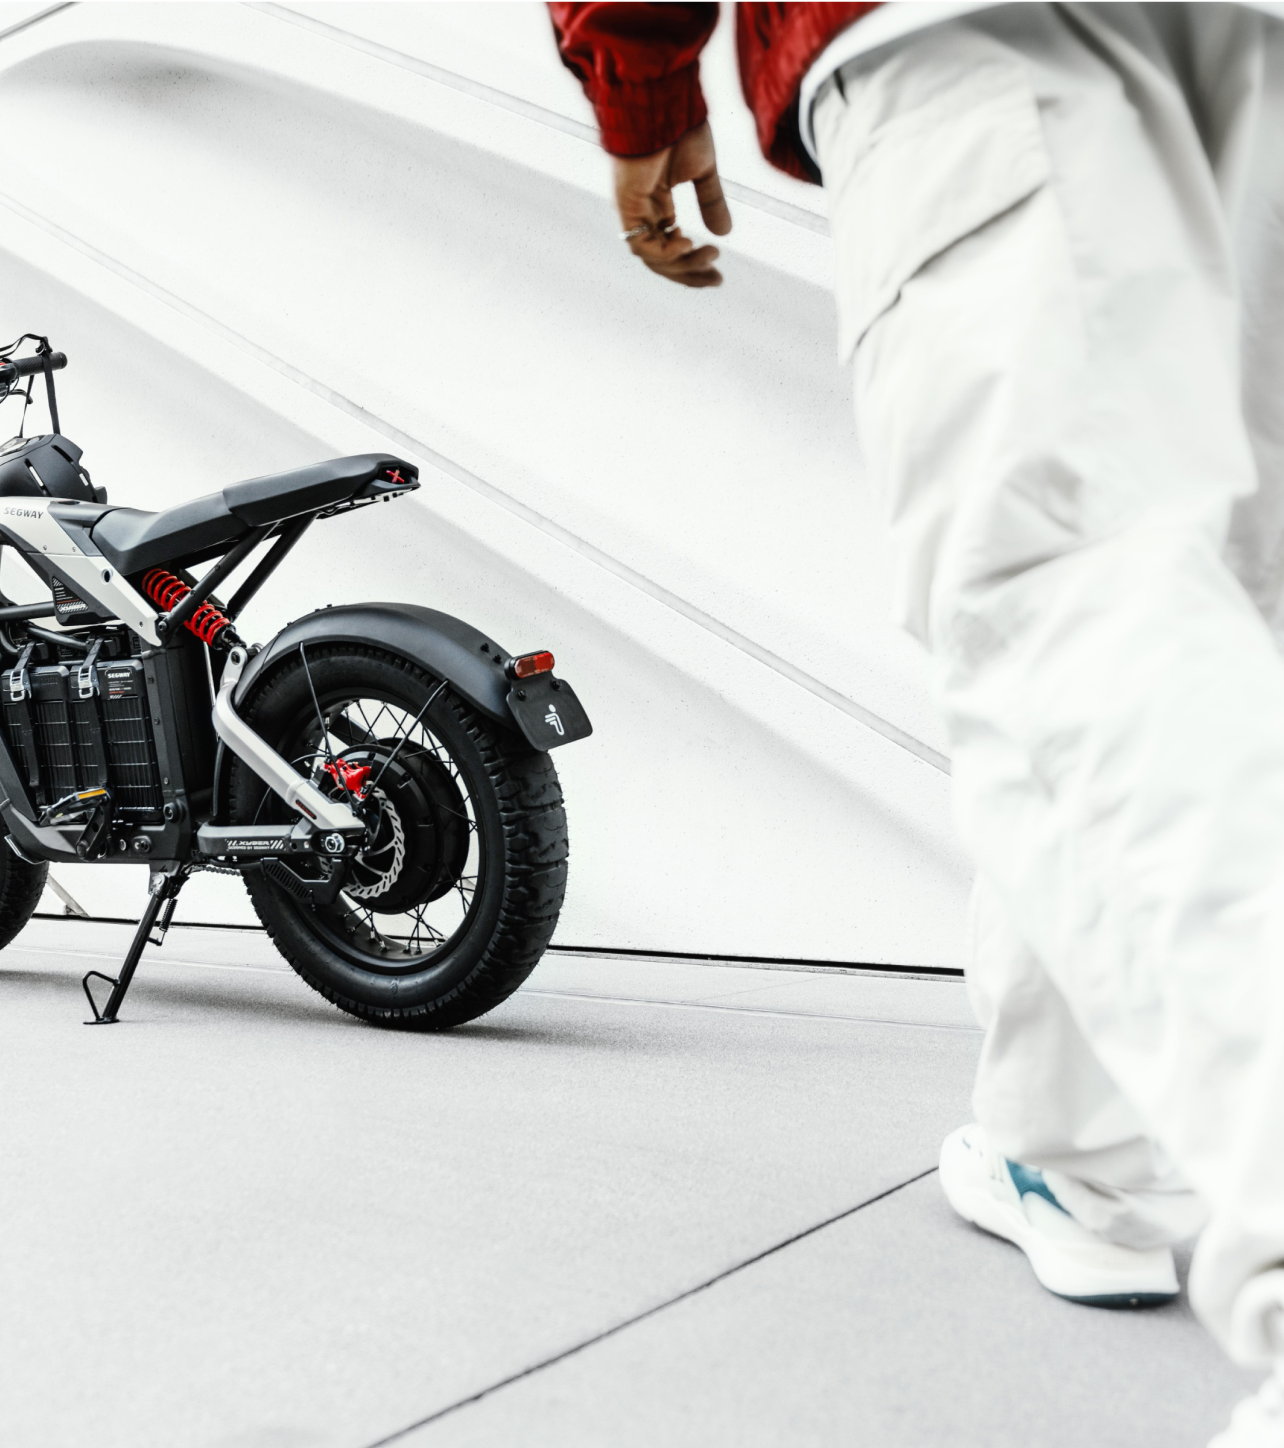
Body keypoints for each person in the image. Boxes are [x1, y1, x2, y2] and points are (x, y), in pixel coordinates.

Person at [549, 2, 1283, 1441]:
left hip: (973, 41)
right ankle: (1060, 1158)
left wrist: (633, 77)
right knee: (1194, 633)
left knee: (1069, 610)